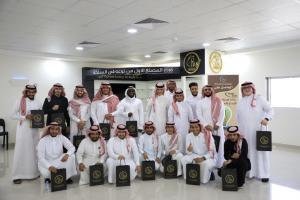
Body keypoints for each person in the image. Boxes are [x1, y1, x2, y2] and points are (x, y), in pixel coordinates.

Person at [236, 82, 273, 182]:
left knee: (261, 153)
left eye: (249, 87)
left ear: (253, 88)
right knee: (247, 152)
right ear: (242, 90)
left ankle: (264, 174)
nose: (247, 89)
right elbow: (238, 118)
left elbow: (270, 110)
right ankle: (250, 172)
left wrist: (267, 118)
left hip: (258, 131)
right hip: (245, 132)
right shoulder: (240, 101)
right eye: (245, 88)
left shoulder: (259, 98)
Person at [11, 84, 42, 184]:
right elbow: (12, 115)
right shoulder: (19, 101)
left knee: (33, 150)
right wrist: (25, 117)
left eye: (33, 92)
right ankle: (17, 175)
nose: (31, 93)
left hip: (34, 130)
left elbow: (40, 113)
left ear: (35, 92)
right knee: (22, 151)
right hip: (23, 129)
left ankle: (34, 173)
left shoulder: (38, 101)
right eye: (29, 92)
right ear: (26, 92)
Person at [196, 85, 225, 168]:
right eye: (205, 90)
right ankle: (209, 164)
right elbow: (199, 115)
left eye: (209, 89)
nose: (207, 91)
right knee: (207, 145)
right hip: (206, 128)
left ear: (212, 90)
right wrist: (205, 125)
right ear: (203, 92)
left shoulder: (219, 101)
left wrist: (218, 124)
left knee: (218, 145)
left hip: (217, 128)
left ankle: (219, 164)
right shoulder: (200, 102)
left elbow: (222, 113)